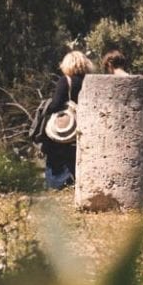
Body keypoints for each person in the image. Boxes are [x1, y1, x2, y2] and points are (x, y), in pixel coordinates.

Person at [38, 49, 93, 189]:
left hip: (66, 126)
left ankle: (58, 184)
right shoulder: (89, 82)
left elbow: (56, 104)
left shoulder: (65, 81)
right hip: (83, 125)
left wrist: (46, 108)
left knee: (58, 155)